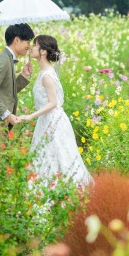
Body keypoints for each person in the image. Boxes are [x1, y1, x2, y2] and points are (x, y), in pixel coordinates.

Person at [18, 35, 92, 186]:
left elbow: (53, 103)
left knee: (58, 156)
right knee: (47, 156)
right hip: (47, 119)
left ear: (43, 52)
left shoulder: (47, 76)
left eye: (35, 45)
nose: (31, 48)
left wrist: (30, 116)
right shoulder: (44, 72)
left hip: (53, 121)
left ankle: (62, 189)